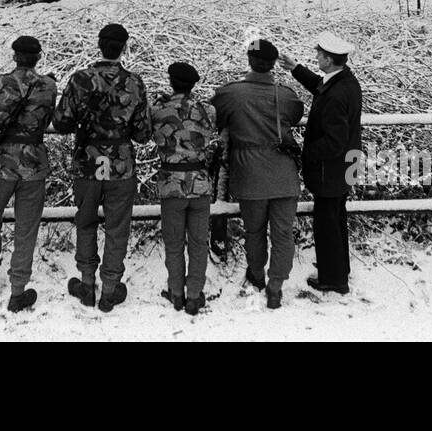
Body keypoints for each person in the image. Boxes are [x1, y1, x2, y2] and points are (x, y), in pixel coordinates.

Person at [53, 23, 150, 312]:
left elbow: (61, 121)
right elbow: (143, 133)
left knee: (85, 220)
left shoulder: (81, 79)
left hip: (89, 162)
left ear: (99, 44)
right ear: (124, 47)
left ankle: (86, 284)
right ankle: (109, 289)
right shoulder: (135, 83)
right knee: (118, 226)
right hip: (119, 164)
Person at [0, 35, 57, 312]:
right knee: (26, 229)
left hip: (1, 164)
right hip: (33, 164)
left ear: (14, 56)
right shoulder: (49, 86)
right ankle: (18, 291)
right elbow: (48, 119)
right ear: (38, 57)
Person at [211, 38, 304, 309]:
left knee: (254, 231)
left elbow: (213, 115)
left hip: (249, 172)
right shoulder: (285, 94)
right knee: (283, 233)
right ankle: (276, 286)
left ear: (249, 62)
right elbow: (296, 115)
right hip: (284, 173)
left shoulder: (230, 94)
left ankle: (258, 276)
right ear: (273, 64)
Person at [280, 32, 362, 295]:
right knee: (336, 218)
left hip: (331, 169)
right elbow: (319, 86)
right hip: (344, 167)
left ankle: (332, 280)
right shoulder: (344, 81)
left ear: (328, 59)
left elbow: (334, 142)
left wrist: (307, 152)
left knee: (327, 223)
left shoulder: (337, 94)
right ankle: (339, 270)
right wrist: (296, 69)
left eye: (319, 54)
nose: (316, 56)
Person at [149, 61, 219, 316]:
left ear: (170, 81)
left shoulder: (158, 109)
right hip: (200, 183)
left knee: (174, 242)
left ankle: (176, 292)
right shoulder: (207, 110)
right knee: (199, 243)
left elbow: (147, 130)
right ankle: (194, 294)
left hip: (171, 184)